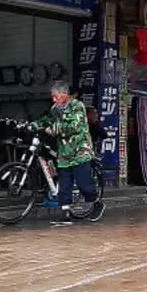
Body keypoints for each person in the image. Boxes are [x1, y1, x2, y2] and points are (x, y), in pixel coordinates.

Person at [34, 81, 97, 224]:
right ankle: (65, 214)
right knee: (64, 186)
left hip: (80, 151)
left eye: (56, 96)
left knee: (84, 184)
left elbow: (71, 126)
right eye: (52, 97)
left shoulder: (77, 106)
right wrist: (33, 125)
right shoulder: (54, 109)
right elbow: (47, 120)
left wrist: (52, 130)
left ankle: (96, 203)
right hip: (64, 153)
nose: (54, 99)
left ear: (64, 94)